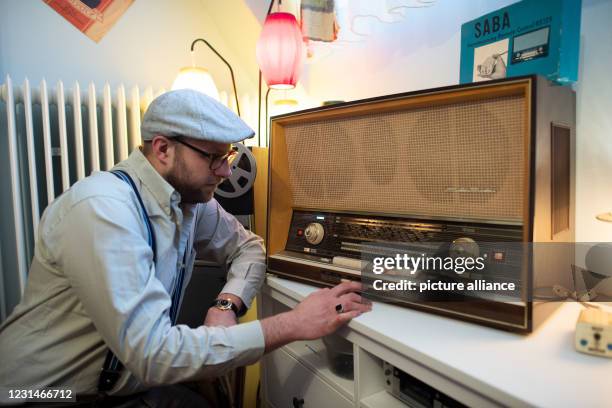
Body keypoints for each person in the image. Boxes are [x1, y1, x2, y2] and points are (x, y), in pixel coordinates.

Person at [0, 89, 371, 406]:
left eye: (227, 158)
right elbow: (154, 356)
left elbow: (249, 248)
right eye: (213, 158)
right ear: (162, 149)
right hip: (44, 395)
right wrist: (294, 323)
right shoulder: (103, 210)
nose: (226, 172)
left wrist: (227, 305)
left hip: (128, 388)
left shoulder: (191, 201)